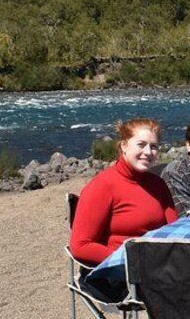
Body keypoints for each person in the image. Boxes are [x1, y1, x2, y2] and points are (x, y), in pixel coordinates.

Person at [70, 118, 178, 297]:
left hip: (157, 265)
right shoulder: (102, 186)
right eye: (141, 145)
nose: (148, 152)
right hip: (116, 276)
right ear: (124, 146)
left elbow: (173, 229)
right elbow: (80, 246)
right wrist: (131, 260)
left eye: (153, 147)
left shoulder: (157, 184)